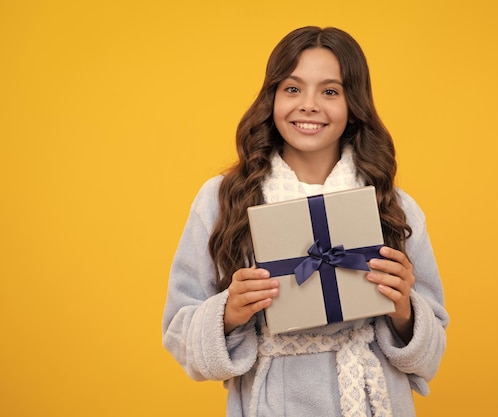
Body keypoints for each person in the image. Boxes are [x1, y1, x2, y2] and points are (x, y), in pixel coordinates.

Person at [162, 26, 448, 417]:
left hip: (374, 399)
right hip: (272, 404)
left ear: (354, 105)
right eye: (293, 88)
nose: (309, 105)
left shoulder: (393, 207)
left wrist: (404, 310)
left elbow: (430, 353)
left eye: (330, 91)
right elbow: (180, 333)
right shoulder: (221, 200)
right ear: (272, 97)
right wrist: (228, 313)